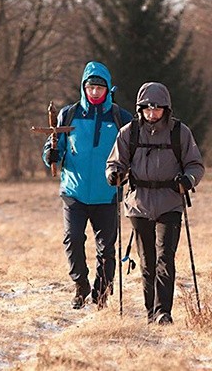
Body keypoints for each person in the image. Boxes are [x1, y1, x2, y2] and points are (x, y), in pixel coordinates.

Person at [106, 82, 204, 325]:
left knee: (165, 258)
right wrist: (114, 174)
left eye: (157, 109)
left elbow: (195, 164)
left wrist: (188, 179)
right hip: (138, 204)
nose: (152, 114)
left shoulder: (179, 132)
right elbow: (115, 161)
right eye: (147, 109)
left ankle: (163, 312)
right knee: (147, 261)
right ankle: (150, 311)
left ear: (166, 109)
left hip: (170, 203)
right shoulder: (130, 132)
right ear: (140, 109)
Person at [42, 61, 132, 309]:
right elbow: (55, 147)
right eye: (90, 87)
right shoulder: (68, 114)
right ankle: (80, 284)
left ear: (108, 89)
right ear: (84, 87)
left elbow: (130, 153)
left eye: (99, 88)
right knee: (72, 239)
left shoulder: (120, 117)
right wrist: (49, 155)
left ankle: (101, 292)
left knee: (106, 248)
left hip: (107, 193)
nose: (94, 92)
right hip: (74, 192)